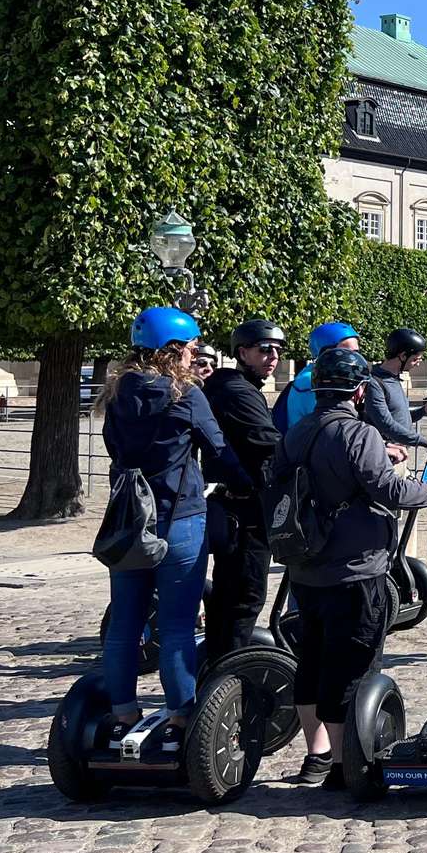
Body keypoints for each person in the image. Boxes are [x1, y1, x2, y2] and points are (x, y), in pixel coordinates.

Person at [273, 348, 427, 787]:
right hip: (355, 567)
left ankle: (316, 756)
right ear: (359, 392)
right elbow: (392, 493)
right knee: (353, 664)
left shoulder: (297, 432)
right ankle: (344, 767)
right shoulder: (358, 433)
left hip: (306, 565)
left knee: (312, 660)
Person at [98, 306, 249, 743]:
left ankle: (123, 713)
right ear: (174, 350)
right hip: (179, 517)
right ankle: (180, 716)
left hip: (129, 518)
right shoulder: (186, 394)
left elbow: (114, 448)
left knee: (125, 623)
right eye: (191, 348)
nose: (193, 355)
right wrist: (247, 485)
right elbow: (218, 449)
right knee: (178, 624)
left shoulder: (118, 392)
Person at [199, 319, 285, 668]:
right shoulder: (236, 391)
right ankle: (229, 676)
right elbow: (267, 441)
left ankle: (217, 668)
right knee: (244, 598)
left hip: (234, 505)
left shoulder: (235, 387)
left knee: (228, 595)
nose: (273, 356)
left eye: (278, 350)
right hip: (244, 508)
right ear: (242, 352)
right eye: (265, 349)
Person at [362, 328, 427, 559]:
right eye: (416, 358)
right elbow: (386, 424)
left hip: (401, 456)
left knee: (407, 510)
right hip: (386, 458)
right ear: (402, 355)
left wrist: (424, 410)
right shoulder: (375, 382)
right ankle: (386, 561)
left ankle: (403, 560)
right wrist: (425, 442)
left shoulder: (394, 380)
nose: (418, 362)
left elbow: (399, 419)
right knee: (387, 514)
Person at [276, 322, 364, 435]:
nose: (354, 358)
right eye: (346, 352)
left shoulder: (317, 373)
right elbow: (332, 424)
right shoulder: (312, 380)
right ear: (325, 351)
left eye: (356, 353)